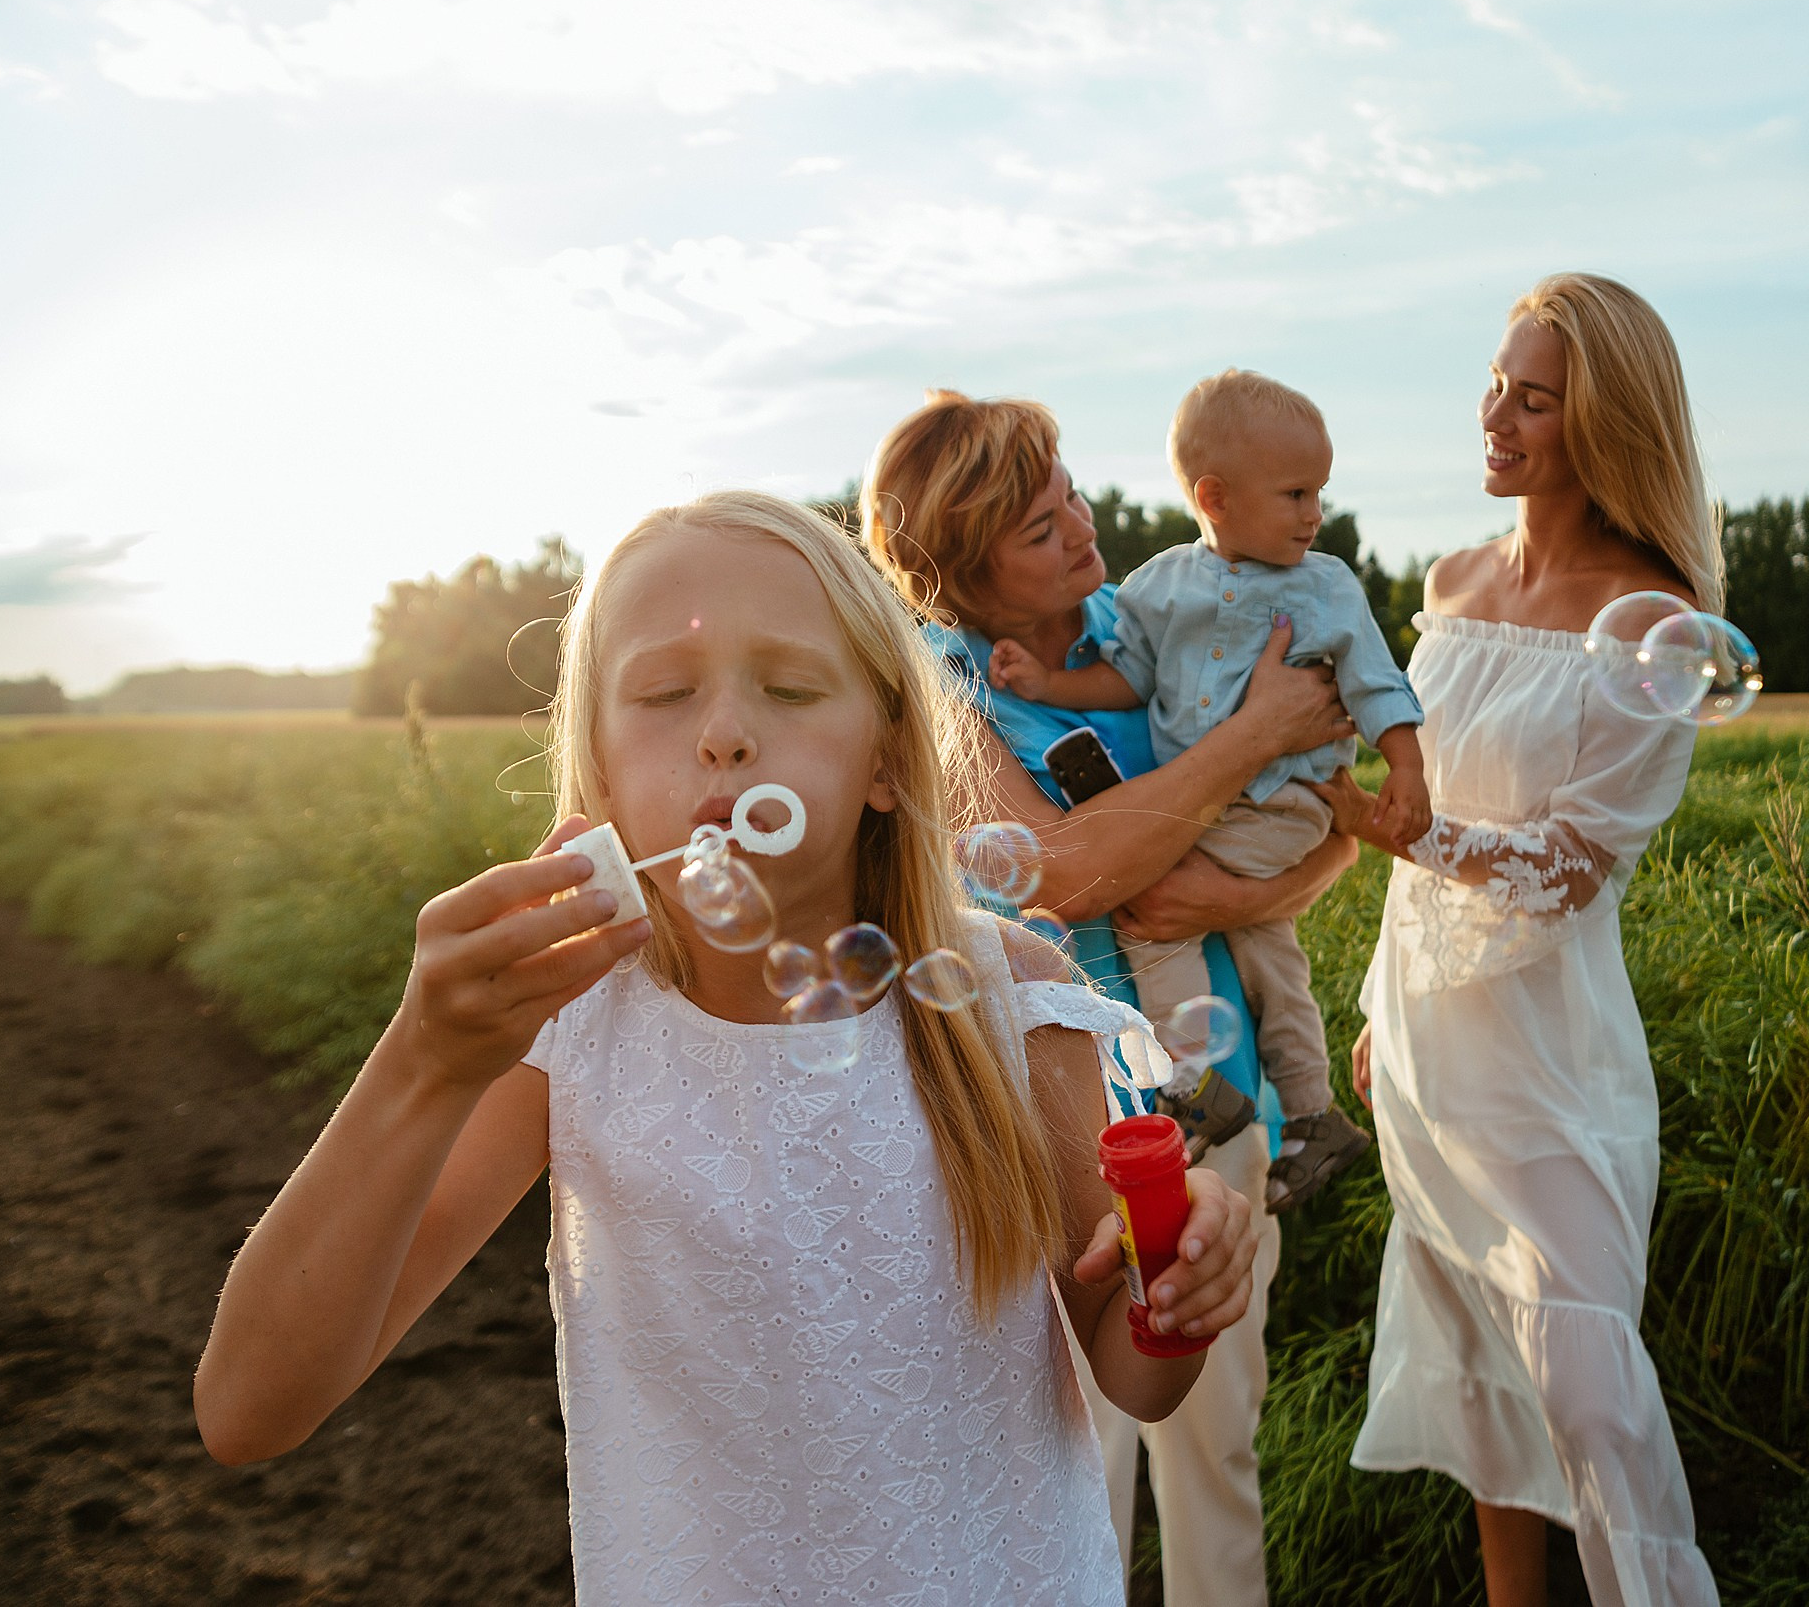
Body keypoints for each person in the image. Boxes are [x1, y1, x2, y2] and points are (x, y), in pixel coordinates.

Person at [192, 491, 1265, 1607]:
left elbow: (1132, 1371)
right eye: (663, 693)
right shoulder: (565, 1028)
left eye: (790, 688)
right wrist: (425, 1057)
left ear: (889, 760)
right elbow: (249, 1408)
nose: (722, 732)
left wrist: (1175, 1288)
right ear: (601, 771)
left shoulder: (1007, 1004)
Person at [860, 391, 1358, 1607]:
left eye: (1071, 495)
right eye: (1039, 528)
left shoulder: (1151, 625)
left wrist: (1242, 887)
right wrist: (1248, 738)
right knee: (1081, 1447)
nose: (1082, 530)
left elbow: (1325, 820)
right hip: (1059, 1111)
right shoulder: (937, 686)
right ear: (962, 576)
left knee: (1217, 1442)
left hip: (1217, 1090)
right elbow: (1067, 868)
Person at [1327, 274, 1724, 1607]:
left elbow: (1564, 869)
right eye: (1495, 382)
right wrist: (1382, 1007)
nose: (1495, 415)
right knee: (1482, 1379)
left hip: (1549, 1056)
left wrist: (1410, 835)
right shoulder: (1446, 579)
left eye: (1533, 397)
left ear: (1602, 423)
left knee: (1590, 1397)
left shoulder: (1656, 621)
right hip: (1433, 1043)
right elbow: (1411, 839)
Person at [987, 368, 1427, 1213]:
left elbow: (1373, 683)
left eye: (1317, 493)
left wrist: (1403, 765)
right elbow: (1130, 686)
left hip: (1282, 805)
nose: (1314, 514)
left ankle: (1196, 1086)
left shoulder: (1325, 587)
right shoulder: (1156, 592)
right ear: (1215, 497)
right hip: (1229, 822)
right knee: (1272, 960)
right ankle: (1310, 1110)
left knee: (1152, 905)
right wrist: (1045, 681)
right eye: (1296, 493)